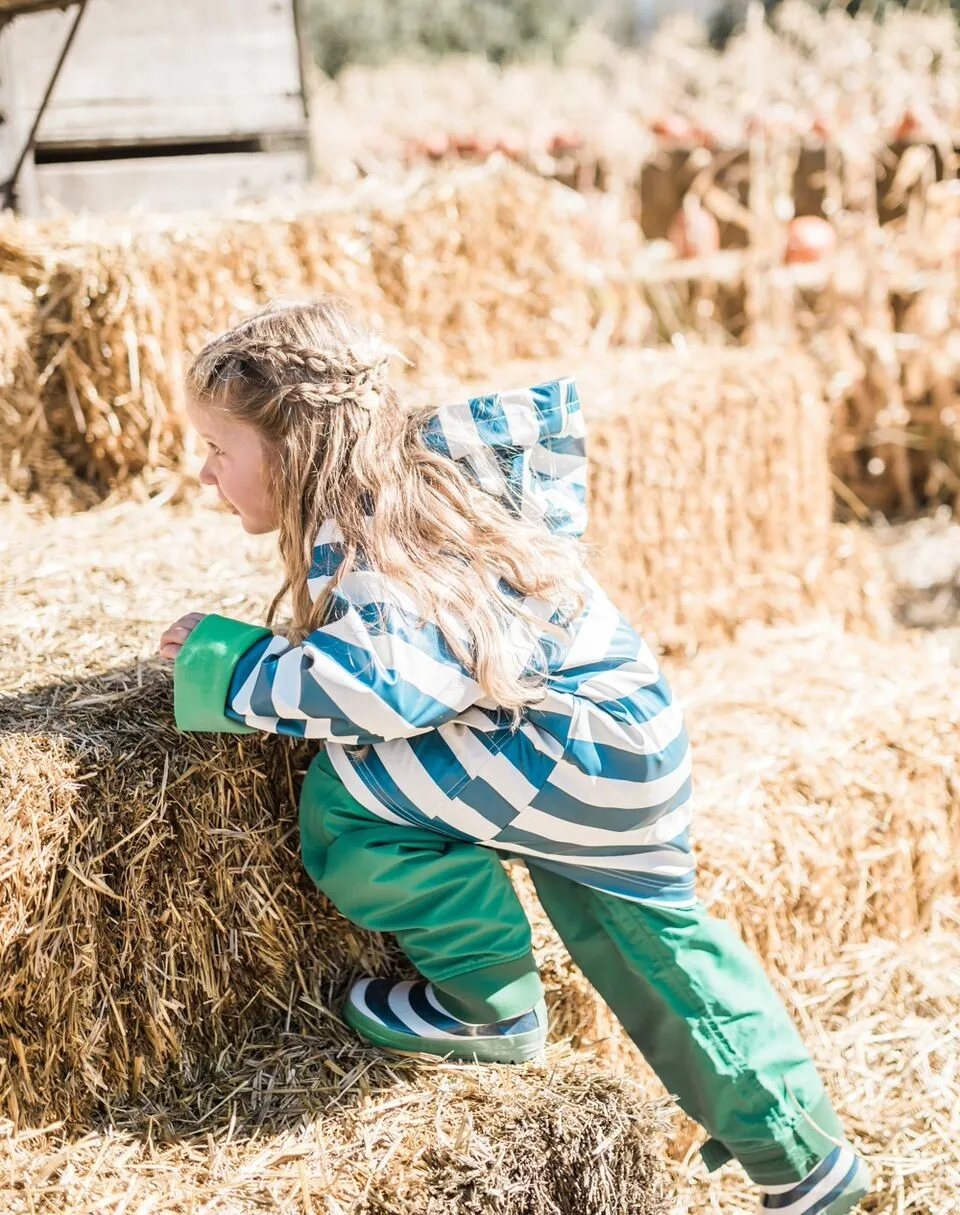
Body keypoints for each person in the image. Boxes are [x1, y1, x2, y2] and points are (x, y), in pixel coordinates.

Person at [161, 297, 870, 1214]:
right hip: (610, 735)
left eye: (220, 450)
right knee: (652, 945)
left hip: (564, 750)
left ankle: (485, 1006)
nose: (206, 472)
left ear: (291, 449)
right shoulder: (425, 482)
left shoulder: (379, 531)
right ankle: (801, 1155)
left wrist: (235, 666)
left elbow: (381, 691)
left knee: (352, 800)